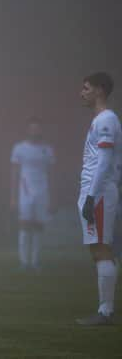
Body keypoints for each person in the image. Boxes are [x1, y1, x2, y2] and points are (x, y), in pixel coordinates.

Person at [76, 72, 120, 326]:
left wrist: (92, 196)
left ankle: (105, 311)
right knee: (98, 248)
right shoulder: (101, 119)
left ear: (100, 90)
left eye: (86, 88)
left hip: (99, 192)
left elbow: (104, 161)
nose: (82, 92)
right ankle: (105, 309)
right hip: (97, 191)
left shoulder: (106, 119)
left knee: (101, 248)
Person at [10, 117, 56, 271]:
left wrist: (53, 196)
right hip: (25, 193)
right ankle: (24, 262)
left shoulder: (47, 150)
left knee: (38, 227)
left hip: (42, 192)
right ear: (28, 130)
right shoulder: (19, 148)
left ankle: (35, 262)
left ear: (41, 130)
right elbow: (14, 173)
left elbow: (51, 174)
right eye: (32, 128)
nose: (35, 131)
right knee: (24, 226)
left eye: (38, 128)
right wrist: (13, 196)